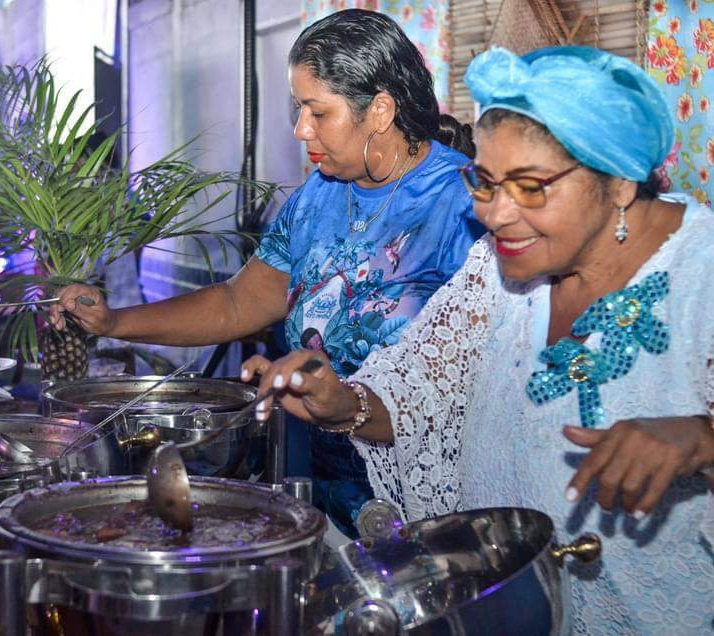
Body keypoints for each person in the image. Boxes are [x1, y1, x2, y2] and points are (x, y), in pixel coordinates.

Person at [246, 45, 714, 633]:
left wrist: (700, 439)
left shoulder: (701, 280)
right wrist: (342, 402)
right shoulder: (498, 268)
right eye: (486, 182)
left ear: (619, 183)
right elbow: (416, 388)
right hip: (510, 609)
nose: (494, 215)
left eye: (530, 187)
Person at [52, 9, 484, 537]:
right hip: (313, 488)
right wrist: (114, 322)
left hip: (421, 506)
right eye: (297, 108)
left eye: (317, 112)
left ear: (380, 111)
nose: (301, 129)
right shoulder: (320, 194)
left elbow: (477, 385)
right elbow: (239, 303)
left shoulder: (466, 205)